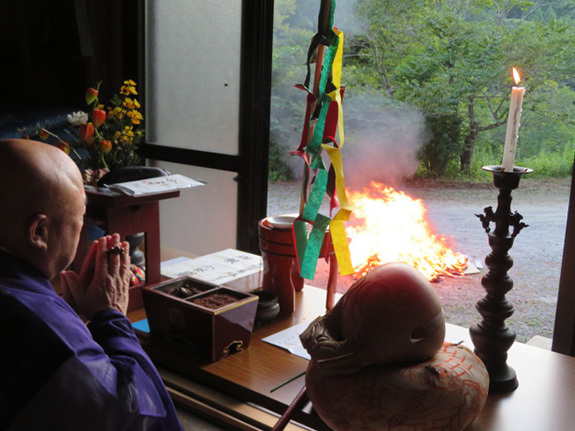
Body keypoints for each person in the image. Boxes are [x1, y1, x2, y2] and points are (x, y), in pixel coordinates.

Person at [0, 139, 183, 430]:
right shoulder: (38, 322)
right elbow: (135, 415)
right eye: (81, 217)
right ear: (40, 232)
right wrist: (111, 317)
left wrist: (70, 323)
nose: (84, 229)